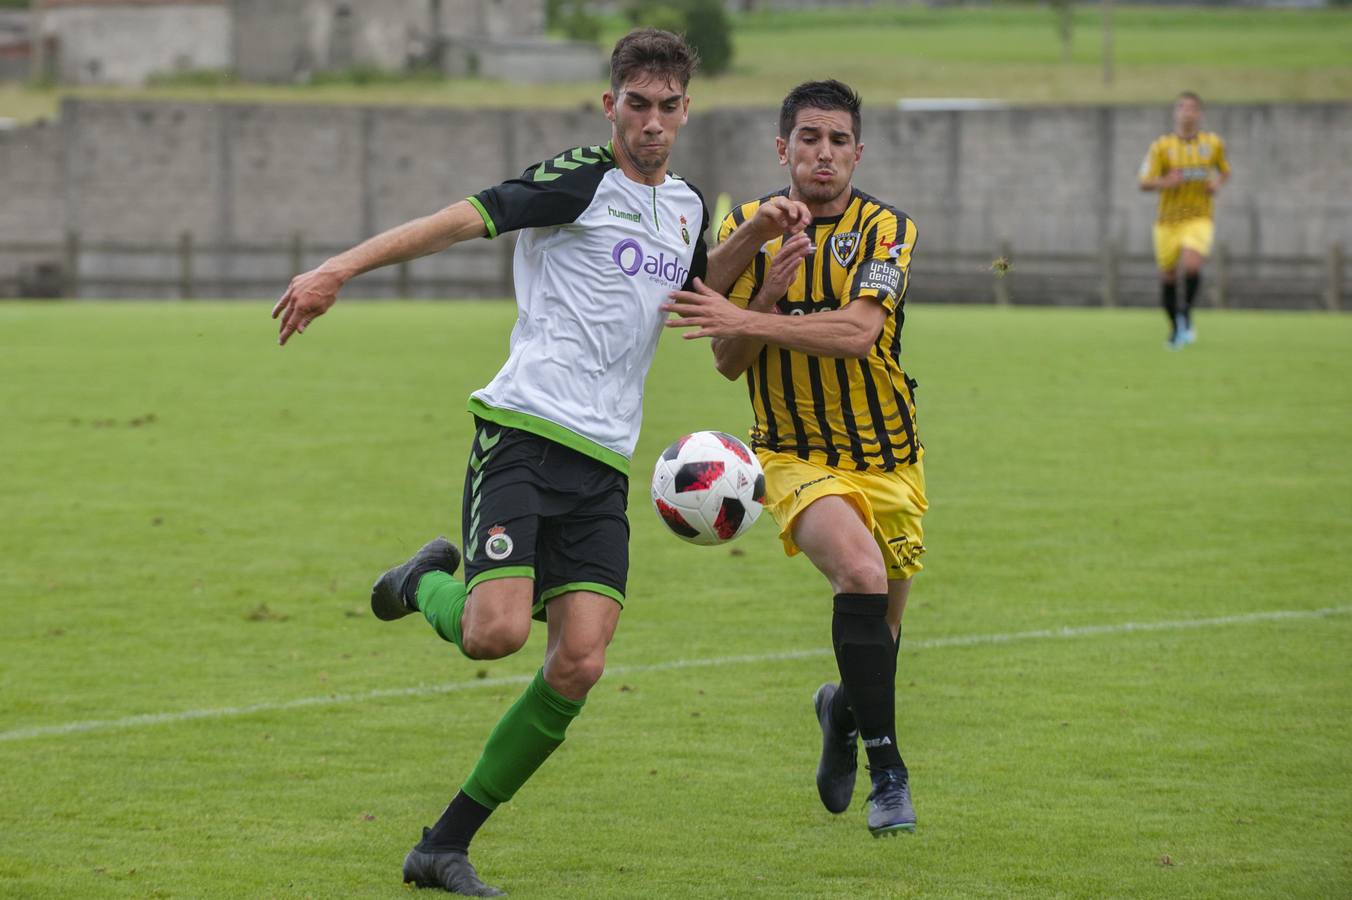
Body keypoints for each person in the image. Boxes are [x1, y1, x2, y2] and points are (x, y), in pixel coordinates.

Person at [271, 29, 809, 896]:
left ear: (685, 110)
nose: (653, 123)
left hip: (604, 462)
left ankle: (442, 845)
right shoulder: (578, 180)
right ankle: (421, 586)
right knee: (494, 634)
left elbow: (691, 287)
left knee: (580, 662)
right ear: (611, 106)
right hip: (523, 434)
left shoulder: (685, 203)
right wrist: (340, 267)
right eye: (638, 105)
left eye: (670, 107)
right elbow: (460, 219)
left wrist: (762, 254)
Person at [663, 79, 924, 838]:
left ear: (858, 152)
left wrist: (753, 313)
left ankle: (839, 712)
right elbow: (726, 360)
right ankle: (891, 777)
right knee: (861, 576)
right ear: (783, 149)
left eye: (839, 140)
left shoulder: (887, 230)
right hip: (794, 457)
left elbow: (857, 334)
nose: (824, 153)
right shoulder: (746, 225)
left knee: (882, 642)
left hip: (890, 458)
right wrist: (763, 295)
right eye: (809, 137)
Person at [1138, 91, 1231, 349]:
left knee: (1191, 265)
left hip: (1199, 217)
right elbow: (1143, 182)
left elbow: (1224, 171)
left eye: (1192, 108)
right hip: (1167, 221)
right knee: (1168, 276)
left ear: (1200, 114)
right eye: (1182, 108)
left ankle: (1186, 314)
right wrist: (1166, 181)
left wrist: (1216, 183)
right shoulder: (1161, 147)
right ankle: (1175, 326)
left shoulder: (1213, 144)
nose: (1186, 112)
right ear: (1175, 113)